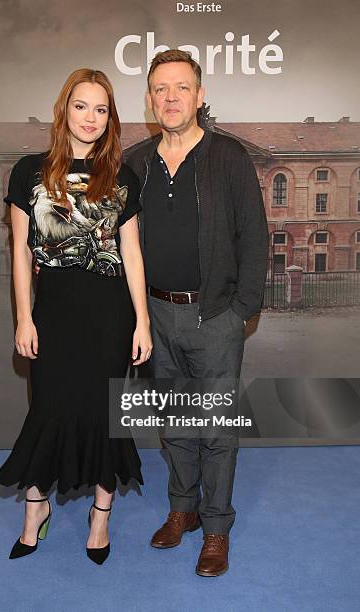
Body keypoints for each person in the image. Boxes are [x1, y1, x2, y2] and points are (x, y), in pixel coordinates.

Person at [0, 68, 152, 565]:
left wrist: (143, 321)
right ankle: (36, 507)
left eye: (101, 109)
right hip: (55, 315)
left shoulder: (120, 177)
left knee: (106, 414)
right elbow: (21, 252)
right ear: (64, 109)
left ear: (111, 119)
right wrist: (24, 317)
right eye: (81, 106)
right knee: (49, 410)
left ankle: (101, 516)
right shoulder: (29, 172)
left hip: (110, 317)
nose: (90, 118)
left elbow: (132, 252)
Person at [125, 50, 268, 576]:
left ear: (199, 95)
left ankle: (215, 528)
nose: (170, 97)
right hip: (156, 316)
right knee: (175, 424)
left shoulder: (228, 156)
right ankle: (182, 510)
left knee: (216, 429)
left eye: (181, 88)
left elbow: (255, 236)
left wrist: (241, 311)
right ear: (150, 98)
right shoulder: (136, 162)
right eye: (161, 88)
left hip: (215, 319)